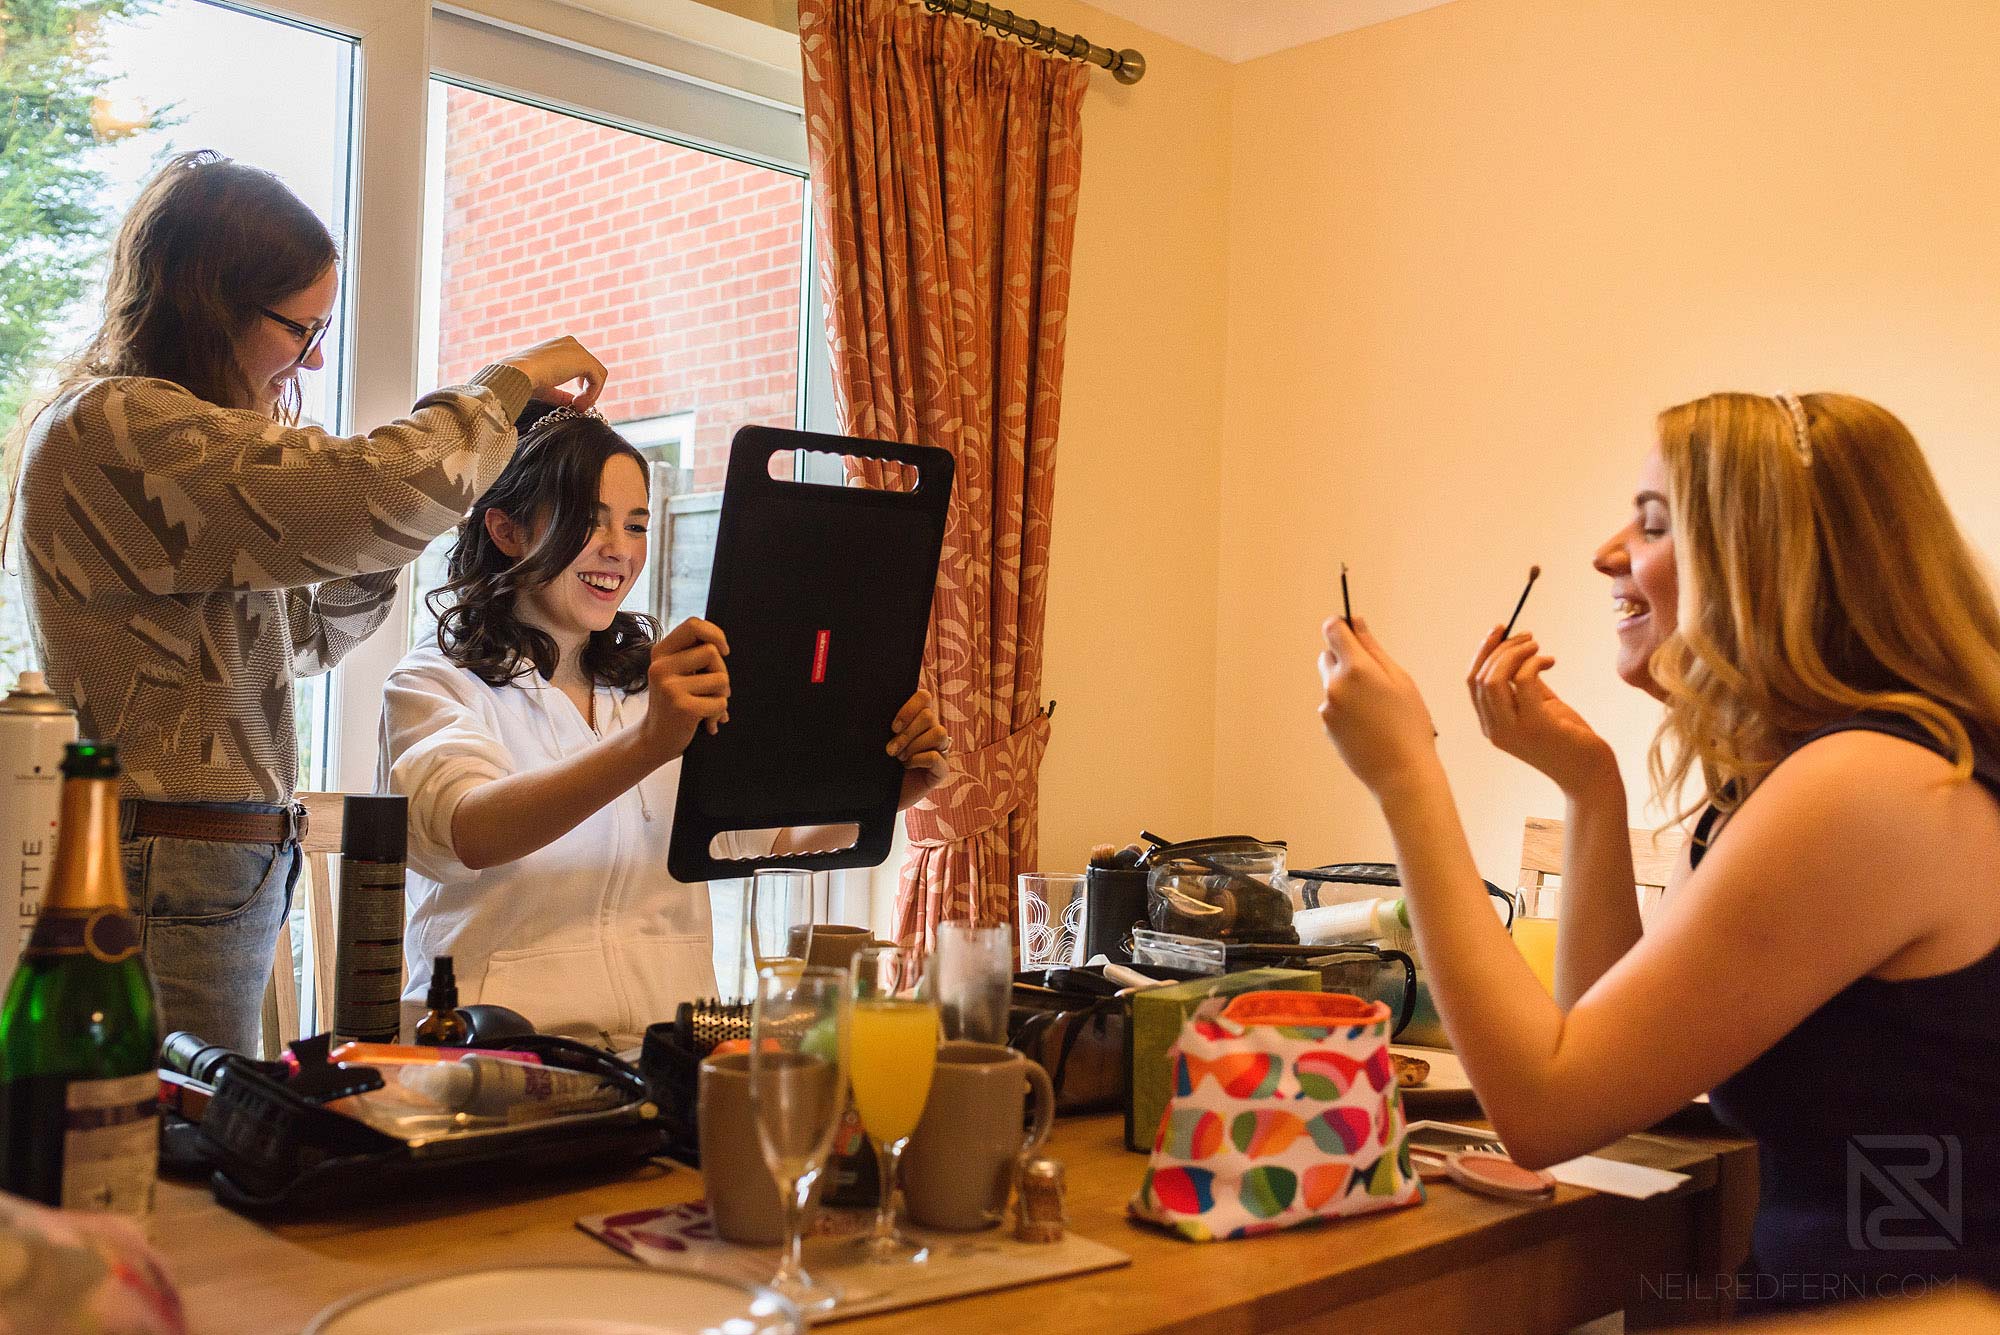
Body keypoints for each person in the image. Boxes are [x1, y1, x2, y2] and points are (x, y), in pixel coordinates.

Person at [1315, 392, 2000, 1308]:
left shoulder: (1870, 788)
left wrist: (1407, 775)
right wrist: (1589, 786)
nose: (1608, 554)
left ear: (1759, 559)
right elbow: (1606, 1076)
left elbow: (1546, 1110)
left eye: (1652, 523)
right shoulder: (1810, 778)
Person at [2, 151, 609, 1056]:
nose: (315, 356)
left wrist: (386, 528)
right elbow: (380, 489)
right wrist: (506, 384)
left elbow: (307, 632)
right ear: (212, 305)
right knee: (162, 1131)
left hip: (207, 863)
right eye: (300, 327)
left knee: (185, 1123)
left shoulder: (173, 457)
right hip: (168, 862)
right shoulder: (121, 428)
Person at [379, 405, 951, 1049]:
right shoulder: (433, 683)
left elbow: (771, 837)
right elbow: (468, 832)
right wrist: (648, 743)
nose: (619, 549)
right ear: (506, 530)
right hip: (498, 1053)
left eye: (636, 524)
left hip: (670, 1048)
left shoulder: (656, 685)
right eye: (588, 521)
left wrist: (886, 789)